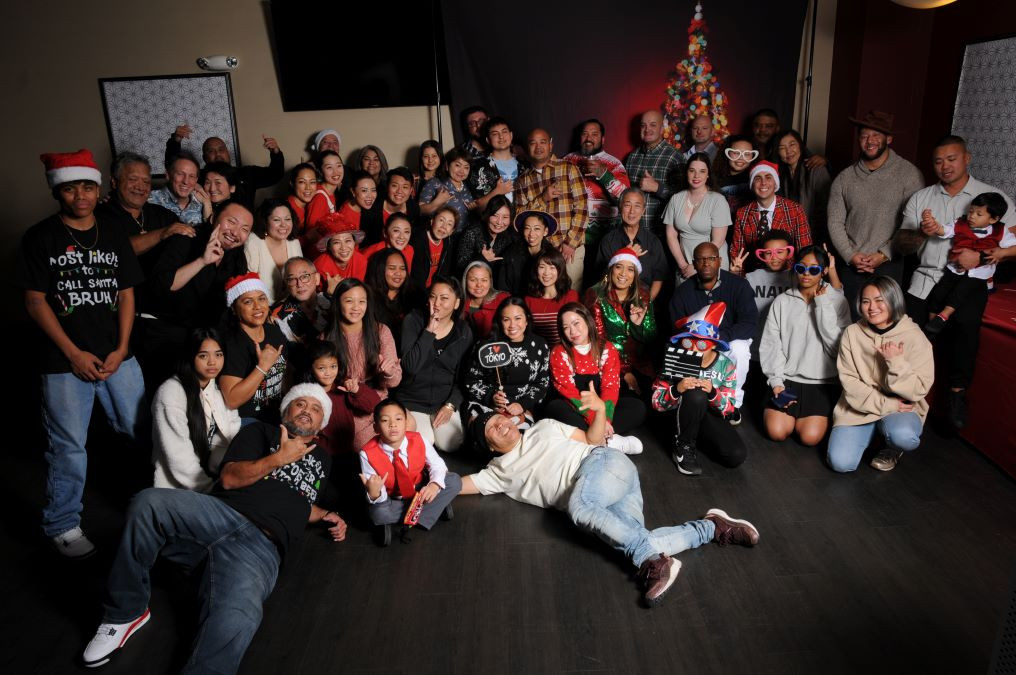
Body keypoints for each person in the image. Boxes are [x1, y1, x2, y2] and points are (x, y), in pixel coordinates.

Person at [81, 385, 347, 671]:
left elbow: (298, 502)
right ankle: (125, 613)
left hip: (262, 548)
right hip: (218, 515)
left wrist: (327, 514)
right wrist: (278, 458)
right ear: (285, 411)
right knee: (149, 503)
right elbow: (230, 479)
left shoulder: (323, 460)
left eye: (316, 408)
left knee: (239, 619)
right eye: (300, 404)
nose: (307, 410)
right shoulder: (259, 432)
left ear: (322, 425)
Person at [460, 401, 759, 607]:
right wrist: (429, 483)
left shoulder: (543, 428)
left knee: (581, 509)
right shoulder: (498, 474)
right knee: (644, 542)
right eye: (492, 429)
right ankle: (712, 527)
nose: (502, 426)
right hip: (606, 499)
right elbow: (459, 485)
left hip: (602, 465)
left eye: (501, 419)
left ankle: (654, 563)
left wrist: (600, 412)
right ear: (487, 445)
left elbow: (591, 442)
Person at [18, 149, 146, 559]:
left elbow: (126, 292)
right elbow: (36, 302)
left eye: (87, 187)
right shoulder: (40, 237)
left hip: (117, 355)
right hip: (63, 362)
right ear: (59, 192)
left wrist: (123, 347)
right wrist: (73, 354)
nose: (80, 196)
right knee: (69, 445)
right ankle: (63, 523)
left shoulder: (111, 233)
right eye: (70, 189)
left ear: (98, 188)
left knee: (139, 431)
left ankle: (148, 505)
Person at [894, 135, 1016, 429]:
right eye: (938, 161)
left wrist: (986, 255)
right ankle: (901, 412)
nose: (945, 166)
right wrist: (924, 231)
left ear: (966, 159)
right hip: (925, 281)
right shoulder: (921, 198)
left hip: (970, 284)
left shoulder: (991, 198)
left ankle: (956, 398)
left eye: (952, 159)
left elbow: (1011, 243)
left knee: (964, 337)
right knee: (909, 344)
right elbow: (903, 245)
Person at [96, 152, 195, 376]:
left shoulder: (161, 214)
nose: (141, 186)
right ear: (114, 182)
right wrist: (163, 234)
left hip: (167, 320)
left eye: (146, 181)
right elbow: (116, 252)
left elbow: (185, 247)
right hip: (125, 321)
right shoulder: (100, 217)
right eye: (133, 179)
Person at [827, 277, 934, 473]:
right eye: (866, 301)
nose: (871, 307)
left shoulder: (914, 336)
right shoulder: (852, 333)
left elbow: (920, 389)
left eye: (879, 300)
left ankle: (892, 447)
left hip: (901, 408)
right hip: (860, 406)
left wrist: (896, 363)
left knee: (904, 437)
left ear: (894, 300)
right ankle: (872, 432)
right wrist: (886, 404)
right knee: (841, 463)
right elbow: (849, 382)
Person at [827, 111, 924, 313]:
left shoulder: (909, 174)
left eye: (876, 135)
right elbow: (834, 221)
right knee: (849, 321)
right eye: (864, 136)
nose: (869, 141)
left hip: (889, 263)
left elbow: (912, 224)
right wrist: (850, 255)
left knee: (885, 320)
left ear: (888, 138)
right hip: (852, 264)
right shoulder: (845, 178)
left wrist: (884, 254)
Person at [759, 246, 851, 446]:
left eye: (814, 269)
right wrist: (777, 383)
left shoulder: (838, 302)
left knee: (810, 438)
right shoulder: (782, 302)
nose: (806, 274)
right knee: (777, 432)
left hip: (822, 383)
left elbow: (838, 349)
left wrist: (822, 305)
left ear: (825, 271)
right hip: (787, 380)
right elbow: (771, 345)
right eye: (801, 268)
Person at [652, 302, 747, 475]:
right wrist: (677, 388)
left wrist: (712, 392)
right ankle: (682, 446)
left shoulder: (726, 366)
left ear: (713, 345)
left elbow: (729, 409)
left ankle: (696, 437)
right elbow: (656, 404)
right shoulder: (674, 359)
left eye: (702, 345)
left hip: (707, 417)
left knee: (736, 455)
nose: (694, 348)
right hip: (676, 416)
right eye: (688, 342)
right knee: (696, 395)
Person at [669, 242, 758, 422]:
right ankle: (695, 404)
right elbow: (676, 327)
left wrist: (721, 337)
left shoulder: (738, 285)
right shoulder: (682, 292)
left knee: (739, 348)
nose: (706, 263)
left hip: (729, 339)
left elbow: (750, 323)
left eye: (711, 258)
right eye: (701, 260)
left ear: (720, 261)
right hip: (697, 343)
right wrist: (700, 341)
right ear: (693, 264)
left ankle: (733, 405)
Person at [360, 400, 461, 546]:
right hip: (393, 499)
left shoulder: (418, 439)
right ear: (376, 427)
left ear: (406, 423)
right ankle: (427, 512)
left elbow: (437, 464)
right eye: (385, 420)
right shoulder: (367, 453)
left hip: (420, 492)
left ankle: (417, 514)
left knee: (454, 481)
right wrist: (375, 494)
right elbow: (374, 488)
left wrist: (434, 485)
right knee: (378, 514)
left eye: (398, 419)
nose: (393, 424)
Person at [152, 328, 241, 492]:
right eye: (203, 356)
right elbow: (178, 457)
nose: (212, 362)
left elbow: (228, 436)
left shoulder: (218, 388)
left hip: (211, 476)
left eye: (218, 354)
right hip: (178, 487)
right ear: (190, 356)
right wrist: (211, 490)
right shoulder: (171, 392)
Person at [395, 276, 474, 451]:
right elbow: (410, 366)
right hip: (412, 400)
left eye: (444, 298)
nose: (437, 303)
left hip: (442, 402)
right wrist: (429, 330)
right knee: (425, 442)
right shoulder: (413, 320)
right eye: (432, 296)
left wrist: (451, 404)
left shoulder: (463, 332)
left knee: (451, 444)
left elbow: (464, 377)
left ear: (456, 303)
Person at [546, 302, 647, 435]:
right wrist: (595, 420)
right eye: (566, 327)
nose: (573, 331)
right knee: (554, 408)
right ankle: (605, 439)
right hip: (575, 407)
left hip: (602, 406)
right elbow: (570, 394)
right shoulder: (558, 352)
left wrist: (605, 419)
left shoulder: (607, 348)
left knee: (637, 407)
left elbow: (610, 388)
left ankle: (592, 437)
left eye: (576, 323)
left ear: (588, 321)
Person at [327, 278, 402, 451]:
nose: (356, 307)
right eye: (349, 301)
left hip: (380, 402)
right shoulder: (326, 339)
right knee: (366, 447)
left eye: (362, 301)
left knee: (407, 427)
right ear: (338, 304)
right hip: (349, 408)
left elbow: (394, 382)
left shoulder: (381, 331)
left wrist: (389, 372)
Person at [513, 128, 589, 288]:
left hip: (569, 247)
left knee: (570, 294)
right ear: (527, 147)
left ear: (551, 145)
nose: (538, 146)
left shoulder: (568, 168)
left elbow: (582, 208)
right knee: (543, 296)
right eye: (533, 143)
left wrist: (570, 243)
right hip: (540, 251)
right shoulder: (523, 180)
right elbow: (519, 216)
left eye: (543, 142)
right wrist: (543, 198)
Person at [463, 297, 549, 428]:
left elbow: (542, 383)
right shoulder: (485, 346)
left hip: (522, 408)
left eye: (518, 318)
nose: (512, 325)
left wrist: (522, 404)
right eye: (506, 319)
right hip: (486, 405)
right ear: (500, 322)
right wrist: (491, 396)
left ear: (527, 320)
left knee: (515, 437)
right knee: (492, 435)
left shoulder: (539, 345)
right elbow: (471, 381)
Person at [585, 248, 657, 394]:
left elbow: (651, 339)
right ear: (611, 269)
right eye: (619, 267)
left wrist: (637, 325)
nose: (624, 273)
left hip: (640, 363)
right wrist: (624, 371)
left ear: (635, 274)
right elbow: (597, 340)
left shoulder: (643, 295)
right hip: (607, 363)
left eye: (630, 269)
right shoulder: (595, 294)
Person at [219, 274, 287, 425]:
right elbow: (231, 400)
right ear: (234, 310)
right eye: (248, 301)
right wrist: (262, 367)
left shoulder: (274, 332)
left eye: (262, 298)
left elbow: (286, 375)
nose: (257, 306)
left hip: (277, 414)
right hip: (246, 421)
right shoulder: (233, 343)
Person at [165, 124, 285, 209]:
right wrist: (175, 141)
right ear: (204, 158)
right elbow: (174, 169)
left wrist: (275, 153)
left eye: (221, 149)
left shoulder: (247, 173)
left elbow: (275, 175)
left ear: (228, 153)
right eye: (211, 151)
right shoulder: (197, 177)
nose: (217, 154)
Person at [562, 118, 630, 259]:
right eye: (585, 134)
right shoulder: (567, 160)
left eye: (594, 134)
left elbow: (625, 198)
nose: (589, 138)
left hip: (604, 238)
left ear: (603, 139)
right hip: (571, 237)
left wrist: (603, 174)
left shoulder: (613, 163)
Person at [663, 152, 732, 280]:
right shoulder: (676, 199)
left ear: (708, 175)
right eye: (692, 170)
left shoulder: (718, 200)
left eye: (702, 171)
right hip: (684, 264)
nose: (696, 176)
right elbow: (671, 236)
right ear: (686, 173)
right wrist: (683, 265)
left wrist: (696, 266)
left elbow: (718, 241)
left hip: (710, 263)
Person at [306, 339, 380, 458]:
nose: (328, 373)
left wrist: (357, 391)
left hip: (348, 450)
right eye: (321, 368)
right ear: (311, 368)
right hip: (320, 453)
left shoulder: (345, 386)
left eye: (333, 366)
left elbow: (374, 404)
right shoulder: (306, 395)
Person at [730, 160, 812, 264]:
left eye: (768, 177)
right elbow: (737, 252)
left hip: (787, 274)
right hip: (754, 274)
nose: (763, 183)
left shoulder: (795, 210)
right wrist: (739, 277)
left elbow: (804, 251)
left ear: (775, 183)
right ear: (752, 184)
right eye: (757, 178)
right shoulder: (742, 213)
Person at [595, 188, 667, 300]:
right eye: (627, 205)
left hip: (644, 300)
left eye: (637, 206)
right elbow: (602, 277)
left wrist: (647, 304)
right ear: (620, 208)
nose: (632, 211)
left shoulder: (653, 242)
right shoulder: (608, 241)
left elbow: (659, 278)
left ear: (643, 211)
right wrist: (628, 254)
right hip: (613, 301)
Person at [625, 109, 682, 235]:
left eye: (653, 125)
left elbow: (684, 198)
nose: (647, 129)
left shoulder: (674, 157)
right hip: (632, 232)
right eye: (643, 125)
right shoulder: (632, 157)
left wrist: (658, 188)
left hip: (660, 234)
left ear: (662, 129)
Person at [776, 129, 832, 245]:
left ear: (800, 145)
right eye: (782, 148)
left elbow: (826, 207)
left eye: (792, 145)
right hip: (790, 236)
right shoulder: (781, 173)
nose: (788, 151)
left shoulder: (816, 168)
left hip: (814, 236)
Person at [244, 198, 303, 303]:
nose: (283, 225)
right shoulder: (253, 242)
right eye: (276, 220)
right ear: (265, 221)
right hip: (262, 308)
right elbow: (248, 286)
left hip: (291, 306)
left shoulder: (294, 243)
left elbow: (301, 281)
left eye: (287, 219)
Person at [269, 257, 331, 350]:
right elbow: (276, 355)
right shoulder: (276, 316)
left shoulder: (333, 302)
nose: (300, 284)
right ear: (286, 284)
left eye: (305, 276)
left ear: (317, 279)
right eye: (292, 279)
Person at [454, 194, 519, 280]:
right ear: (488, 214)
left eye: (505, 217)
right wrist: (481, 259)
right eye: (495, 215)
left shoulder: (510, 235)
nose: (499, 222)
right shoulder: (472, 232)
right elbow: (459, 268)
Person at [524, 248, 579, 346]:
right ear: (536, 270)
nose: (546, 273)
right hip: (539, 354)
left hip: (563, 354)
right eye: (542, 267)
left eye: (552, 267)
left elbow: (576, 333)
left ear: (560, 270)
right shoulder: (529, 300)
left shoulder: (570, 296)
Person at [469, 116, 525, 211]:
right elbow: (476, 207)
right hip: (494, 223)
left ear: (511, 135)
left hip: (522, 223)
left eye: (504, 132)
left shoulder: (524, 165)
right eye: (495, 134)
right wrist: (497, 191)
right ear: (488, 140)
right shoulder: (479, 167)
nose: (501, 136)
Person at [499, 210, 556, 296]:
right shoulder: (511, 254)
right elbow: (502, 288)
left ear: (545, 231)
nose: (531, 234)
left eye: (537, 228)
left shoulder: (553, 255)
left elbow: (560, 285)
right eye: (527, 228)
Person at [360, 167, 419, 248]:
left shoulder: (413, 208)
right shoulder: (372, 208)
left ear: (411, 190)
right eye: (394, 186)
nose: (399, 191)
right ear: (387, 187)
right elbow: (365, 242)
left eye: (405, 187)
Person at [418, 147, 475, 228]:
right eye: (458, 165)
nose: (462, 171)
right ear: (447, 166)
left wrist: (474, 209)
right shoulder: (435, 183)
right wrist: (436, 203)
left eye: (466, 167)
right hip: (442, 236)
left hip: (465, 237)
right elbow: (419, 210)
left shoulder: (468, 187)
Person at [303, 150, 345, 248]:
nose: (336, 172)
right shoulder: (319, 197)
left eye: (339, 165)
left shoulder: (331, 193)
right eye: (329, 167)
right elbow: (312, 234)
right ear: (320, 171)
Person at [148, 152, 205, 224]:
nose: (186, 181)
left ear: (196, 179)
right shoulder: (149, 200)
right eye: (180, 174)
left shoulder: (202, 202)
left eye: (191, 176)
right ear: (168, 175)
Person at [409, 206, 458, 288]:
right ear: (432, 221)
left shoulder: (448, 242)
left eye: (449, 224)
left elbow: (444, 272)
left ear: (451, 231)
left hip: (434, 289)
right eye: (441, 220)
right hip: (416, 290)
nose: (444, 226)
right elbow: (416, 277)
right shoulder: (418, 241)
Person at [365, 248, 415, 328]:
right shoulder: (367, 297)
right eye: (392, 268)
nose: (398, 273)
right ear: (380, 270)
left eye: (402, 268)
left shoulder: (414, 296)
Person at [461, 260, 510, 339]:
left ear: (490, 282)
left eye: (484, 280)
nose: (479, 285)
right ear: (465, 281)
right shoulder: (457, 303)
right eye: (473, 280)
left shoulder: (503, 300)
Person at [712, 135, 758, 217]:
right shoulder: (713, 179)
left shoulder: (757, 180)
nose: (741, 158)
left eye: (747, 154)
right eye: (736, 153)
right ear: (727, 153)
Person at [286, 162, 319, 236]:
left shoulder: (311, 205)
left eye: (312, 182)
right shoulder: (287, 209)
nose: (308, 187)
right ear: (292, 184)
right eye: (302, 182)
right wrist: (307, 238)